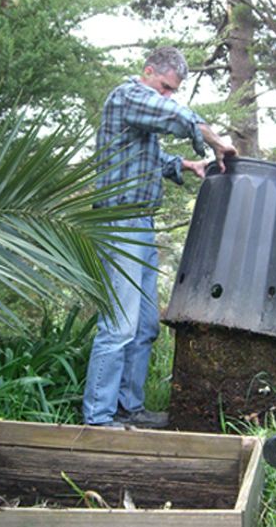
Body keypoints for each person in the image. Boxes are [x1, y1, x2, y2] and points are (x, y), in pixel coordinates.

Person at [83, 46, 237, 427]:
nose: (167, 95)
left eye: (172, 91)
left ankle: (128, 408)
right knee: (119, 325)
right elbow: (175, 116)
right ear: (149, 71)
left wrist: (185, 164)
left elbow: (146, 154)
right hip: (119, 225)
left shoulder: (141, 111)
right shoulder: (128, 95)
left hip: (141, 226)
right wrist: (217, 142)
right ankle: (98, 420)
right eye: (166, 86)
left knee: (146, 326)